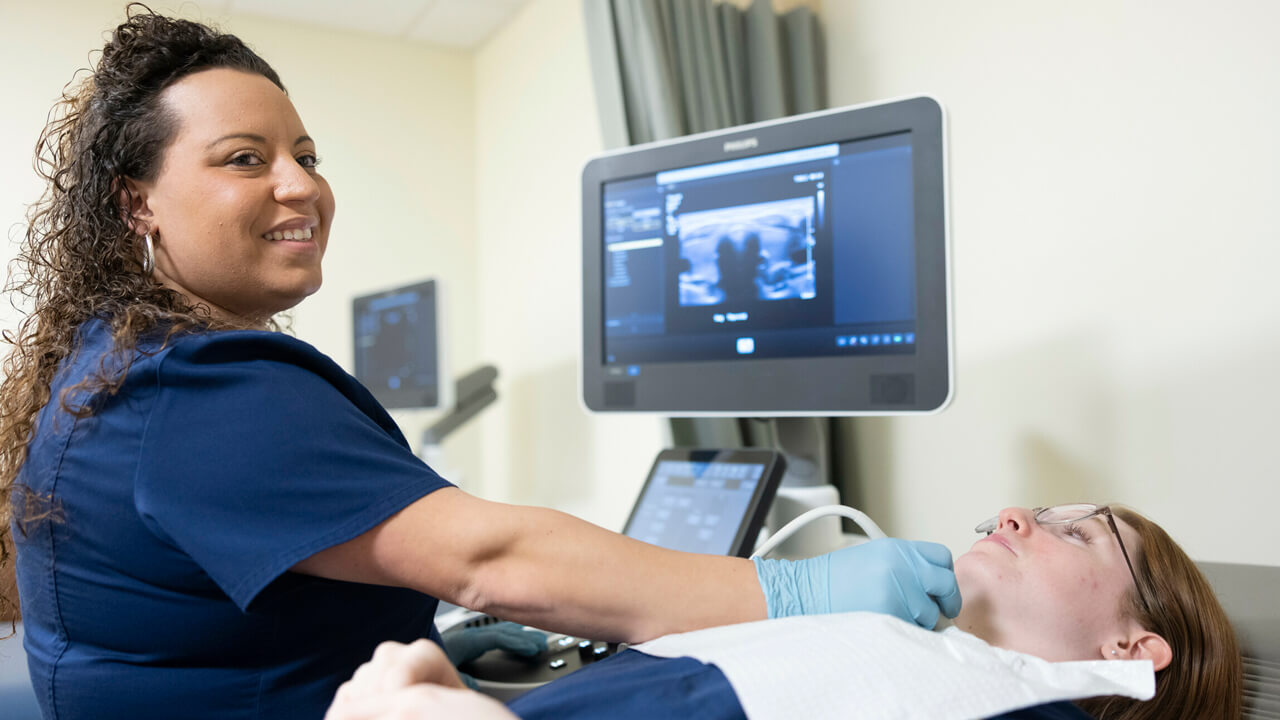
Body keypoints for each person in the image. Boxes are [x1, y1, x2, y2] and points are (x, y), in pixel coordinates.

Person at [0, 8, 961, 719]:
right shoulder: (197, 388)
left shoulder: (114, 365)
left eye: (306, 152)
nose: (302, 184)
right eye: (245, 159)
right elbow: (492, 558)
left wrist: (428, 639)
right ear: (137, 206)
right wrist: (796, 591)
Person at [323, 504, 1244, 720]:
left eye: (1075, 535)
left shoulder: (1018, 712)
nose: (1014, 514)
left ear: (1133, 645)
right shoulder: (921, 664)